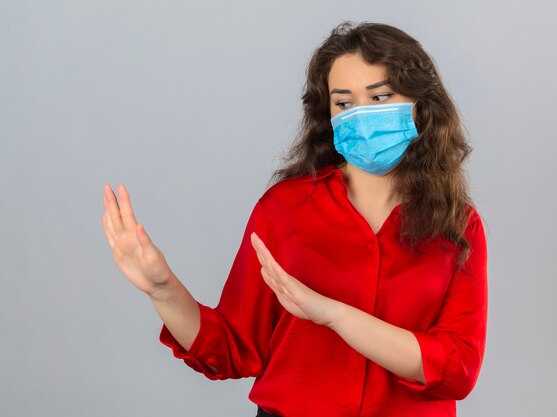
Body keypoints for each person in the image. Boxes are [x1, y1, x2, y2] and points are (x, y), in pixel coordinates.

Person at [101, 20, 488, 417]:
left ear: (420, 105)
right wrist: (162, 289)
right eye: (344, 103)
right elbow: (231, 348)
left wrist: (334, 315)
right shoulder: (284, 210)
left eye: (379, 97)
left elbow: (457, 368)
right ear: (329, 114)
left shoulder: (458, 227)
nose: (360, 115)